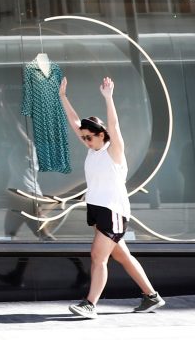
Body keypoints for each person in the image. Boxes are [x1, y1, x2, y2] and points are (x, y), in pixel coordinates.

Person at [58, 75, 165, 318]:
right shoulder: (93, 150)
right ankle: (152, 296)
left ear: (101, 134)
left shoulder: (113, 151)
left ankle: (90, 304)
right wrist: (63, 97)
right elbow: (75, 122)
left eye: (89, 137)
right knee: (122, 255)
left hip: (113, 211)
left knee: (98, 257)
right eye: (83, 137)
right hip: (98, 210)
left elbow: (114, 127)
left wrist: (108, 98)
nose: (85, 141)